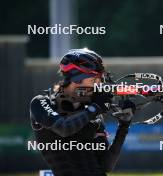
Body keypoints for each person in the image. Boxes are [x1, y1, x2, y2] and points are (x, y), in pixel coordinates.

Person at [29, 48, 135, 176]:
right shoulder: (41, 103)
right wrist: (95, 108)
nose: (98, 85)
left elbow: (106, 165)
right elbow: (63, 128)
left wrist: (124, 125)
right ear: (76, 79)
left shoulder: (91, 110)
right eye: (93, 80)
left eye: (100, 79)